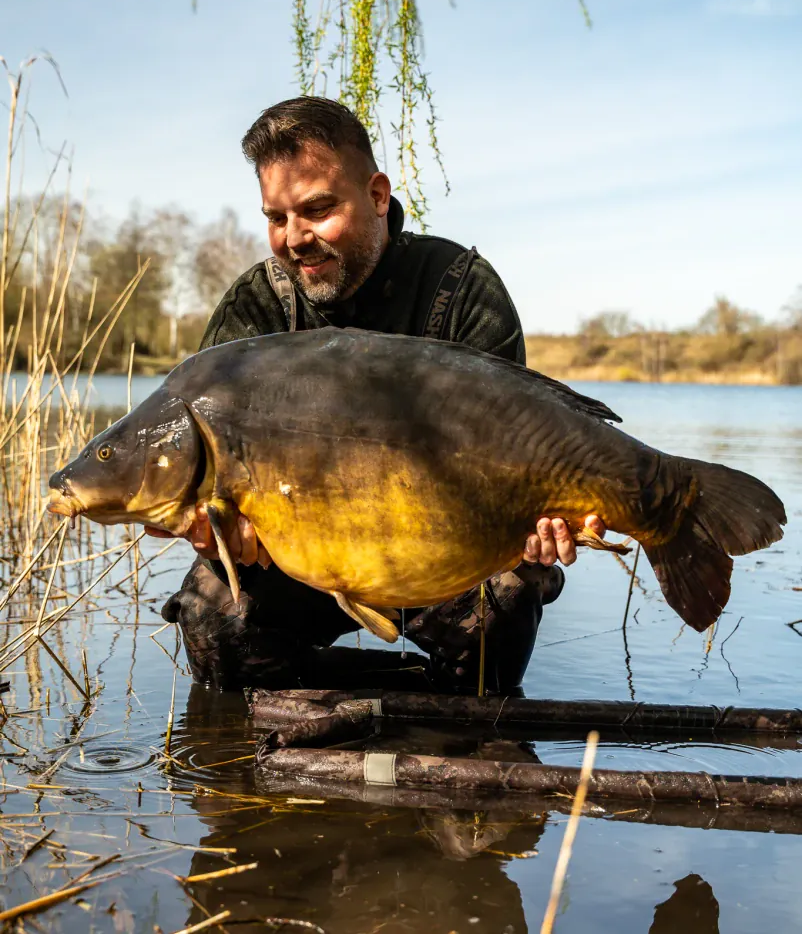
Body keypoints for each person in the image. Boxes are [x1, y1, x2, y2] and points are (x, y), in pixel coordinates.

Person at [156, 96, 605, 694]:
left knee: (498, 624)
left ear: (376, 196)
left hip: (445, 555)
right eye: (276, 217)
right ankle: (294, 744)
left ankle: (433, 719)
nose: (294, 238)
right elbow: (199, 481)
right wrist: (209, 528)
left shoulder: (463, 290)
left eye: (317, 208)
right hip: (299, 561)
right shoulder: (254, 309)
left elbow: (520, 456)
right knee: (216, 622)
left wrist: (541, 519)